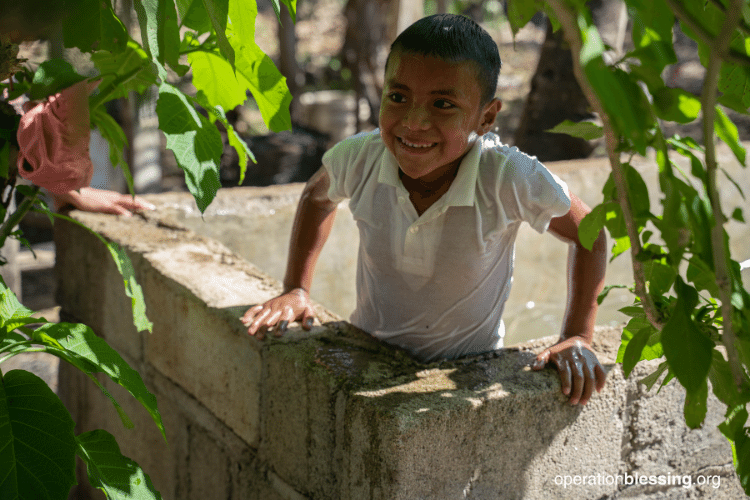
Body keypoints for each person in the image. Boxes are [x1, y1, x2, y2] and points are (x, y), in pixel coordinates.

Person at [242, 14, 607, 406]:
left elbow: (591, 234)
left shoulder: (507, 176)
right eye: (398, 97)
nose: (414, 123)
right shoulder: (359, 158)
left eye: (443, 104)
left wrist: (578, 335)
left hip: (469, 369)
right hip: (368, 351)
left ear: (486, 117)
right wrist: (297, 288)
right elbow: (317, 198)